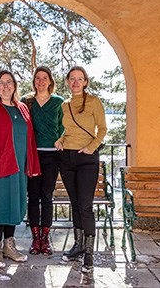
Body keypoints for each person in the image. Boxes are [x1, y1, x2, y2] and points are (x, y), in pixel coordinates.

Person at [0, 70, 41, 269]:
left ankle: (9, 247)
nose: (6, 86)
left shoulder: (22, 108)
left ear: (14, 85)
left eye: (9, 82)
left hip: (19, 167)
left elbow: (30, 138)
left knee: (14, 205)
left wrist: (31, 163)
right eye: (2, 82)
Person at [54, 66, 107, 273]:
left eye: (80, 79)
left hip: (87, 159)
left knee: (85, 206)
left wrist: (90, 148)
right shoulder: (65, 105)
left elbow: (102, 129)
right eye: (72, 79)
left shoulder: (94, 102)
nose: (76, 82)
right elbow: (66, 131)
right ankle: (77, 246)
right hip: (66, 158)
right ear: (67, 81)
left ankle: (89, 254)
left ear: (86, 81)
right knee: (75, 204)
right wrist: (60, 140)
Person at [21, 66, 64, 255]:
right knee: (33, 196)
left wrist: (60, 140)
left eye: (44, 78)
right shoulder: (26, 102)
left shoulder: (59, 102)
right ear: (34, 81)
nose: (40, 81)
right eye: (37, 78)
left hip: (52, 155)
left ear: (50, 81)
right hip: (32, 154)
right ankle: (34, 238)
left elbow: (65, 126)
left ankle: (45, 239)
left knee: (47, 196)